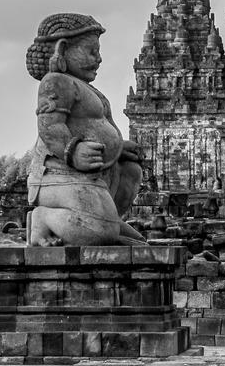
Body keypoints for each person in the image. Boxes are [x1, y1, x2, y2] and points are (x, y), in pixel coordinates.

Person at [24, 13, 146, 246]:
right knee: (101, 232)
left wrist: (119, 148)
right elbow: (49, 127)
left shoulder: (87, 89)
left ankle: (106, 221)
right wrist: (73, 150)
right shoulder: (55, 81)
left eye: (98, 52)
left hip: (94, 176)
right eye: (91, 51)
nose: (98, 59)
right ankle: (45, 218)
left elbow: (98, 127)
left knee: (131, 170)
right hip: (58, 175)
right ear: (63, 48)